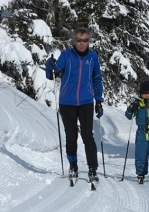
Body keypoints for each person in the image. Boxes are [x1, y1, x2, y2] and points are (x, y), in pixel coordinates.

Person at [44, 28, 104, 181]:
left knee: (87, 135)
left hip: (86, 102)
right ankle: (73, 166)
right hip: (67, 102)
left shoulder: (93, 56)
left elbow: (97, 78)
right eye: (78, 40)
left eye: (85, 40)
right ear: (73, 41)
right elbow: (54, 72)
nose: (82, 43)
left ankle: (92, 169)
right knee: (71, 136)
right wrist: (50, 65)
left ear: (89, 41)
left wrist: (99, 100)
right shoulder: (66, 55)